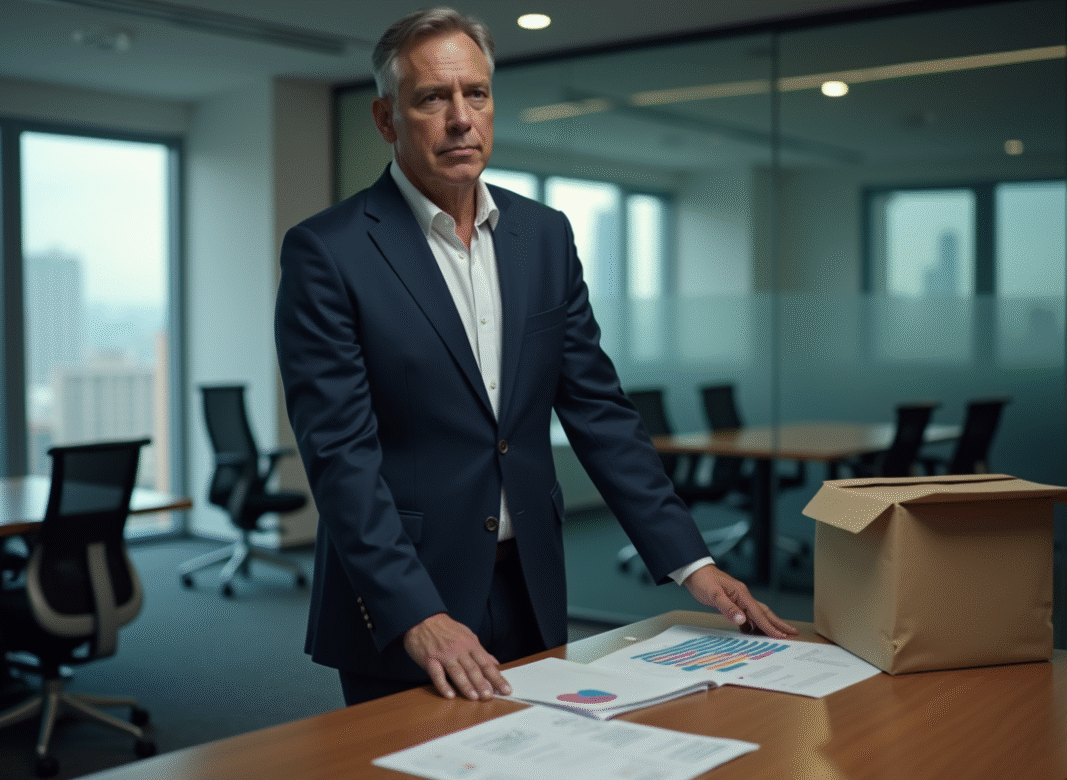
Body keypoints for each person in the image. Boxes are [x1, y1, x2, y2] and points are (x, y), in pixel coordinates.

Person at [275, 6, 796, 707]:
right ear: (386, 118)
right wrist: (416, 614)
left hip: (531, 583)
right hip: (408, 603)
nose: (461, 117)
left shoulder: (543, 236)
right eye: (433, 98)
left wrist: (691, 560)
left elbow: (601, 414)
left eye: (477, 94)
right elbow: (341, 456)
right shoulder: (329, 252)